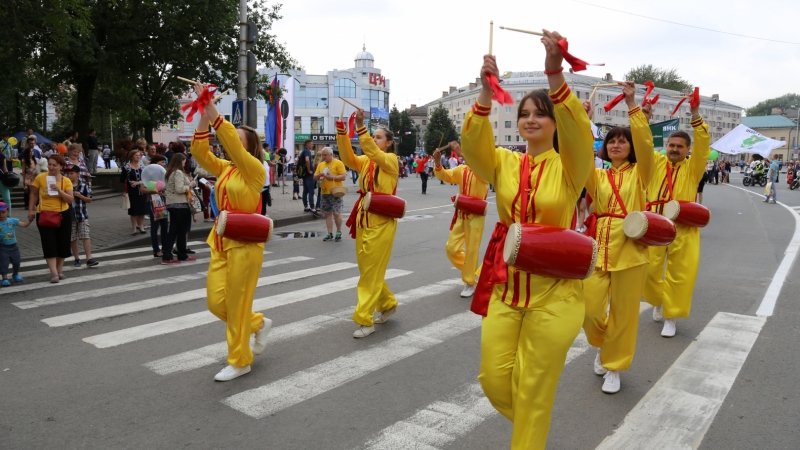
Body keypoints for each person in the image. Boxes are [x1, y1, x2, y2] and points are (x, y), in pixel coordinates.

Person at [461, 30, 593, 450]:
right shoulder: (503, 162)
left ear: (555, 124)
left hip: (555, 295)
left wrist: (554, 72)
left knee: (535, 388)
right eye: (524, 114)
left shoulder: (571, 167)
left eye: (541, 114)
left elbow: (579, 134)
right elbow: (473, 146)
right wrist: (485, 93)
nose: (531, 119)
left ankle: (529, 437)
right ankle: (532, 429)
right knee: (493, 379)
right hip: (506, 288)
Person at [189, 81, 271, 382]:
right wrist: (202, 111)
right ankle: (257, 323)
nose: (228, 142)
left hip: (246, 243)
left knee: (236, 303)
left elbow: (231, 145)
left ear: (249, 146)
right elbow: (199, 151)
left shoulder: (254, 169)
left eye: (237, 139)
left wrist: (211, 106)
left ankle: (240, 359)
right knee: (216, 302)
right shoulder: (226, 169)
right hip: (221, 240)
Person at [581, 81, 654, 394]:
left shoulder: (642, 173)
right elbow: (578, 155)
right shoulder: (597, 175)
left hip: (631, 249)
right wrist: (583, 122)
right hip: (599, 247)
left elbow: (647, 146)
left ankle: (614, 365)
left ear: (630, 146)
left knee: (624, 315)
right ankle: (604, 345)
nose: (616, 145)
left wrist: (633, 106)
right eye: (611, 141)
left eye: (623, 141)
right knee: (589, 308)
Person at [643, 98, 710, 338]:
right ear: (666, 145)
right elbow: (642, 143)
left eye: (680, 147)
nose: (674, 149)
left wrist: (695, 114)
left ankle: (671, 317)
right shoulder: (656, 163)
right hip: (655, 225)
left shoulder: (693, 169)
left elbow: (703, 144)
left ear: (687, 150)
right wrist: (644, 118)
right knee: (648, 271)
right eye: (671, 145)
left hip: (684, 226)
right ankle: (659, 300)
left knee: (680, 273)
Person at [336, 110, 401, 339]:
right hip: (365, 218)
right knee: (368, 271)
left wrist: (362, 129)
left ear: (389, 143)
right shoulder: (366, 162)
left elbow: (372, 152)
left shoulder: (391, 160)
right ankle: (388, 303)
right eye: (374, 137)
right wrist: (342, 132)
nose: (374, 140)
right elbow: (347, 158)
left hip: (382, 222)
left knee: (369, 273)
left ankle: (365, 319)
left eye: (379, 137)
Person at [432, 142, 489, 298]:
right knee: (451, 248)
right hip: (461, 215)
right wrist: (437, 162)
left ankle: (469, 282)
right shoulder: (462, 170)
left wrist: (461, 152)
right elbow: (445, 175)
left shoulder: (484, 171)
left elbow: (479, 171)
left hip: (476, 216)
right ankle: (474, 271)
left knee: (472, 250)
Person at [27, 154, 74, 283]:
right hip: (45, 214)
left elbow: (70, 199)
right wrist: (31, 209)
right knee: (49, 244)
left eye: (54, 165)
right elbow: (34, 194)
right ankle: (53, 273)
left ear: (61, 166)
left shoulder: (66, 180)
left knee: (63, 243)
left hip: (63, 214)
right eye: (50, 164)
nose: (51, 167)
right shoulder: (41, 178)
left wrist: (59, 191)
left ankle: (59, 269)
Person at [161, 153, 196, 264]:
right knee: (178, 231)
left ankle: (179, 254)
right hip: (180, 204)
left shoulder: (170, 172)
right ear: (180, 161)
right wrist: (191, 185)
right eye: (184, 161)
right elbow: (180, 189)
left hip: (173, 204)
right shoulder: (178, 172)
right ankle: (169, 256)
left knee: (176, 231)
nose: (185, 163)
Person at [66, 165, 99, 268]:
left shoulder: (84, 185)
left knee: (85, 236)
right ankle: (76, 258)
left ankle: (89, 258)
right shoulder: (65, 184)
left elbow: (90, 199)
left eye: (72, 173)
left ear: (78, 174)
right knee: (72, 238)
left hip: (82, 214)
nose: (69, 175)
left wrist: (80, 196)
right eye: (68, 173)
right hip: (69, 215)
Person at [314, 147, 347, 242]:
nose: (323, 157)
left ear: (331, 155)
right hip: (324, 192)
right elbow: (314, 177)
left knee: (336, 213)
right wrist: (318, 176)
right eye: (322, 155)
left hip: (336, 192)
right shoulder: (321, 164)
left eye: (325, 155)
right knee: (327, 213)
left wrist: (331, 177)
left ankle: (339, 231)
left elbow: (343, 176)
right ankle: (329, 233)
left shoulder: (338, 163)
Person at [140, 154, 169, 257]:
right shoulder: (148, 173)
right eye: (162, 162)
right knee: (155, 226)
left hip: (162, 201)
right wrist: (154, 190)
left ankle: (166, 248)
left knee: (165, 225)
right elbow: (142, 189)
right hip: (153, 202)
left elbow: (166, 185)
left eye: (164, 162)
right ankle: (156, 250)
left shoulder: (162, 174)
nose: (164, 164)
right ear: (156, 163)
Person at [0, 201, 30, 286]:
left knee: (16, 261)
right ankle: (4, 278)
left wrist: (30, 220)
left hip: (13, 247)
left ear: (7, 211)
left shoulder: (12, 220)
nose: (1, 215)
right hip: (2, 247)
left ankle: (15, 274)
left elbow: (24, 225)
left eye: (3, 212)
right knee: (3, 263)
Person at [124, 148, 148, 234]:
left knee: (142, 209)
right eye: (136, 155)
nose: (138, 157)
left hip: (142, 190)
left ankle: (141, 226)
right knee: (133, 210)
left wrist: (138, 182)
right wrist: (128, 183)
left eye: (139, 155)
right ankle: (134, 228)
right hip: (132, 191)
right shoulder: (127, 167)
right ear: (131, 156)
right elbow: (122, 179)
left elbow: (146, 179)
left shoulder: (143, 167)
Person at [297, 140, 317, 213]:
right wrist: (309, 170)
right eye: (311, 144)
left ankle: (306, 206)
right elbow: (307, 160)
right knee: (311, 191)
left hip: (304, 175)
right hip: (308, 175)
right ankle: (312, 207)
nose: (312, 145)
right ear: (307, 144)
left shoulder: (304, 151)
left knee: (305, 191)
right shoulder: (307, 151)